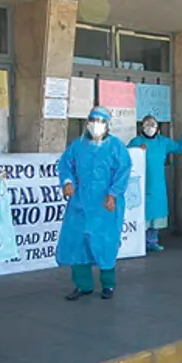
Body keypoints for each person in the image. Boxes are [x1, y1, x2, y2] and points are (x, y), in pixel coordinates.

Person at [57, 106, 131, 301]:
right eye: (92, 120)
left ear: (107, 125)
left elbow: (123, 172)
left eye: (100, 121)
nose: (95, 125)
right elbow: (65, 166)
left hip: (105, 205)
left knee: (105, 243)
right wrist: (67, 182)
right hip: (80, 204)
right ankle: (83, 285)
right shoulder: (77, 146)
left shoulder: (116, 147)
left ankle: (108, 284)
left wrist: (113, 194)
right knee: (78, 243)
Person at [128, 115, 182, 252]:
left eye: (153, 125)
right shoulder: (136, 142)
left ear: (158, 128)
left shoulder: (163, 142)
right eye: (147, 125)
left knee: (156, 211)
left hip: (157, 184)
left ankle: (152, 241)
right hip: (140, 183)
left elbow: (179, 148)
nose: (150, 128)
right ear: (142, 127)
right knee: (141, 211)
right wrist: (137, 150)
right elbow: (126, 156)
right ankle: (139, 242)